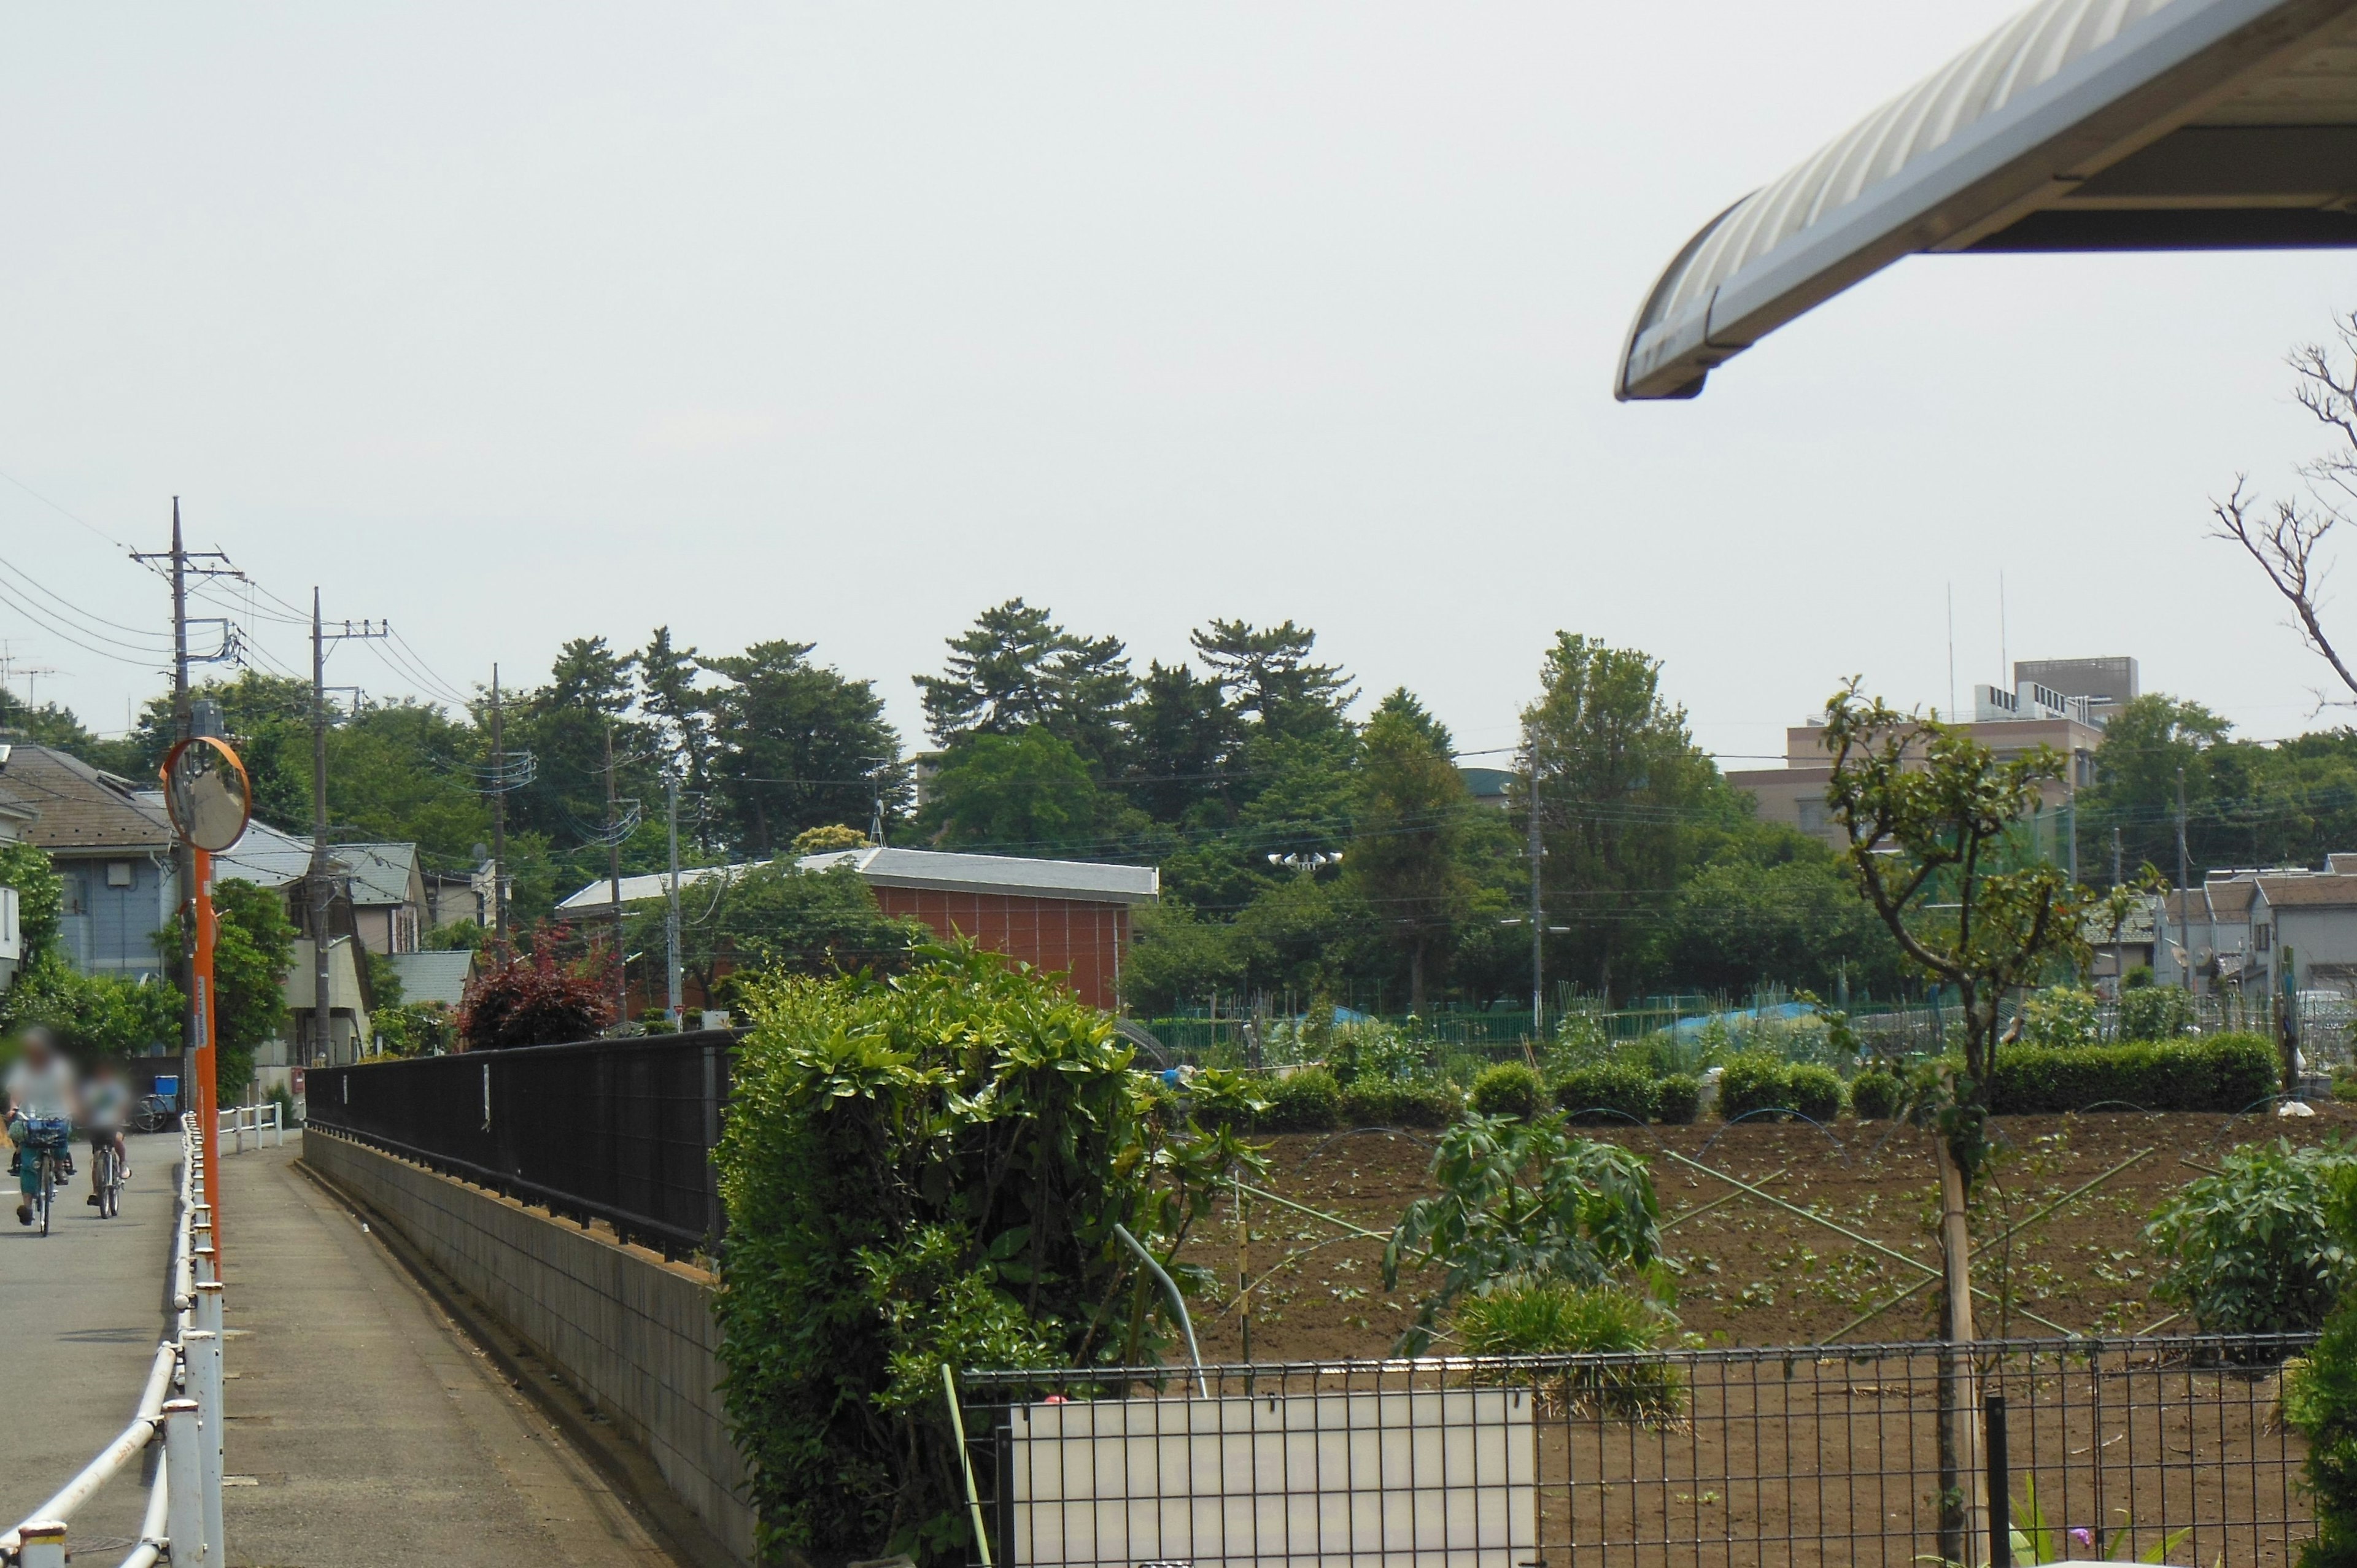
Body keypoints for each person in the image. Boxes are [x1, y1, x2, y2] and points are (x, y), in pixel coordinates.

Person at [5, 1027, 79, 1227]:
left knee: (62, 1136)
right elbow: (17, 1091)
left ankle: (58, 1167)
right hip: (31, 1116)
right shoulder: (23, 1067)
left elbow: (67, 1090)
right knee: (28, 1164)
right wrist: (14, 1107)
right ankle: (27, 1207)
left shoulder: (59, 1067)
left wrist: (73, 1106)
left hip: (57, 1113)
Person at [82, 1062, 131, 1206]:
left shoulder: (116, 1087)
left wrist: (119, 1115)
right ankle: (96, 1191)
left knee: (117, 1140)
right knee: (97, 1157)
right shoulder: (91, 1088)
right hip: (97, 1124)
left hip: (115, 1123)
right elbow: (86, 1105)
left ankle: (123, 1163)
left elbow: (123, 1105)